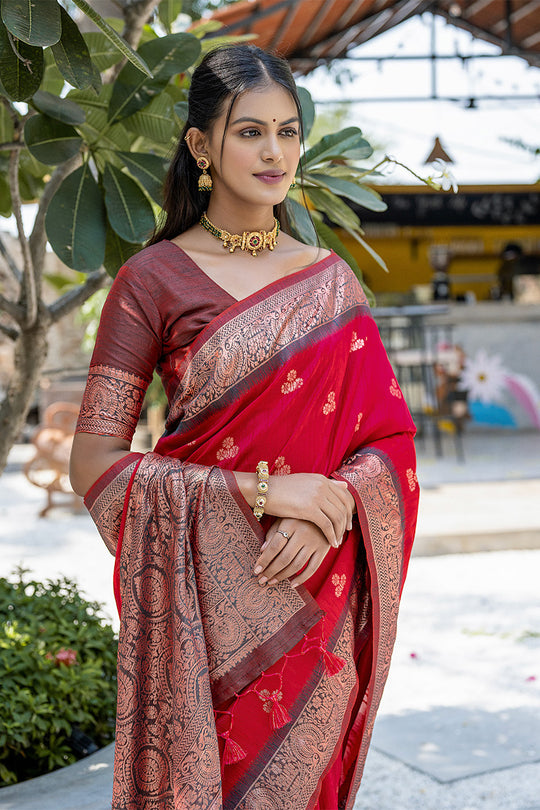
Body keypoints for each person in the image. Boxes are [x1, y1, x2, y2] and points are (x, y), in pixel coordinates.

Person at [70, 44, 419, 810]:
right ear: (201, 145)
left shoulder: (330, 282)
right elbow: (94, 461)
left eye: (289, 132)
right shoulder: (151, 280)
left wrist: (332, 511)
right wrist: (266, 493)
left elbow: (389, 443)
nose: (275, 152)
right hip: (199, 619)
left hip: (314, 602)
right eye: (250, 132)